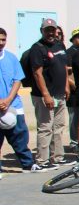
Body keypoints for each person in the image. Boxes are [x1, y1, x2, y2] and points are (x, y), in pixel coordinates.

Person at [26, 18, 70, 169]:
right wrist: (46, 94)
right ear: (42, 31)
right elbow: (37, 73)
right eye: (47, 30)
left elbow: (64, 67)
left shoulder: (60, 45)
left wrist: (66, 86)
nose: (50, 33)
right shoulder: (37, 48)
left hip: (59, 93)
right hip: (45, 96)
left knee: (59, 126)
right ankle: (42, 161)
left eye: (53, 30)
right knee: (45, 128)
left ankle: (57, 157)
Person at [0, 27, 44, 174]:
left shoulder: (11, 57)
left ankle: (28, 164)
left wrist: (8, 100)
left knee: (20, 137)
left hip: (13, 105)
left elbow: (17, 80)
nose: (1, 43)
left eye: (3, 39)